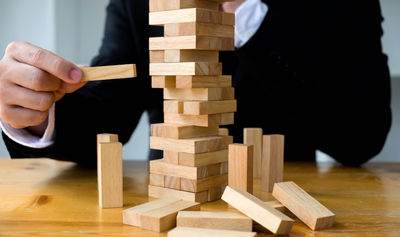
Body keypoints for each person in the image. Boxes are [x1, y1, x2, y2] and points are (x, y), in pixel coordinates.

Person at [0, 0, 392, 166]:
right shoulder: (139, 3)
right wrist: (35, 113)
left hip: (288, 206)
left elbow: (361, 135)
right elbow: (106, 115)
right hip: (172, 201)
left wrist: (247, 20)